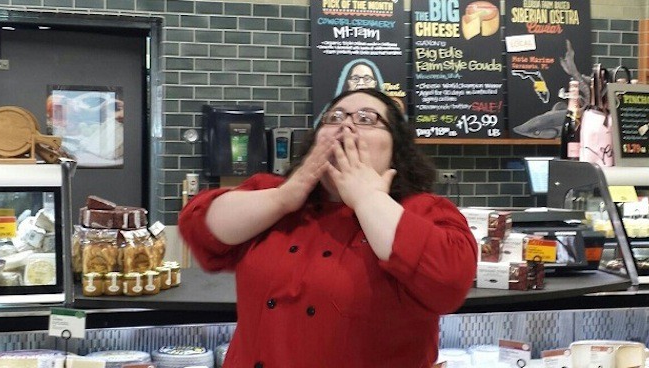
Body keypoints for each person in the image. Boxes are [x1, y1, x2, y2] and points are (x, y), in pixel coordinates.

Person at [179, 88, 477, 368]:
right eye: (334, 117)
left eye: (366, 119)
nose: (345, 126)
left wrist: (367, 197)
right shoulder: (275, 199)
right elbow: (199, 225)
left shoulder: (423, 211)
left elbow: (449, 282)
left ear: (396, 148)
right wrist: (284, 196)